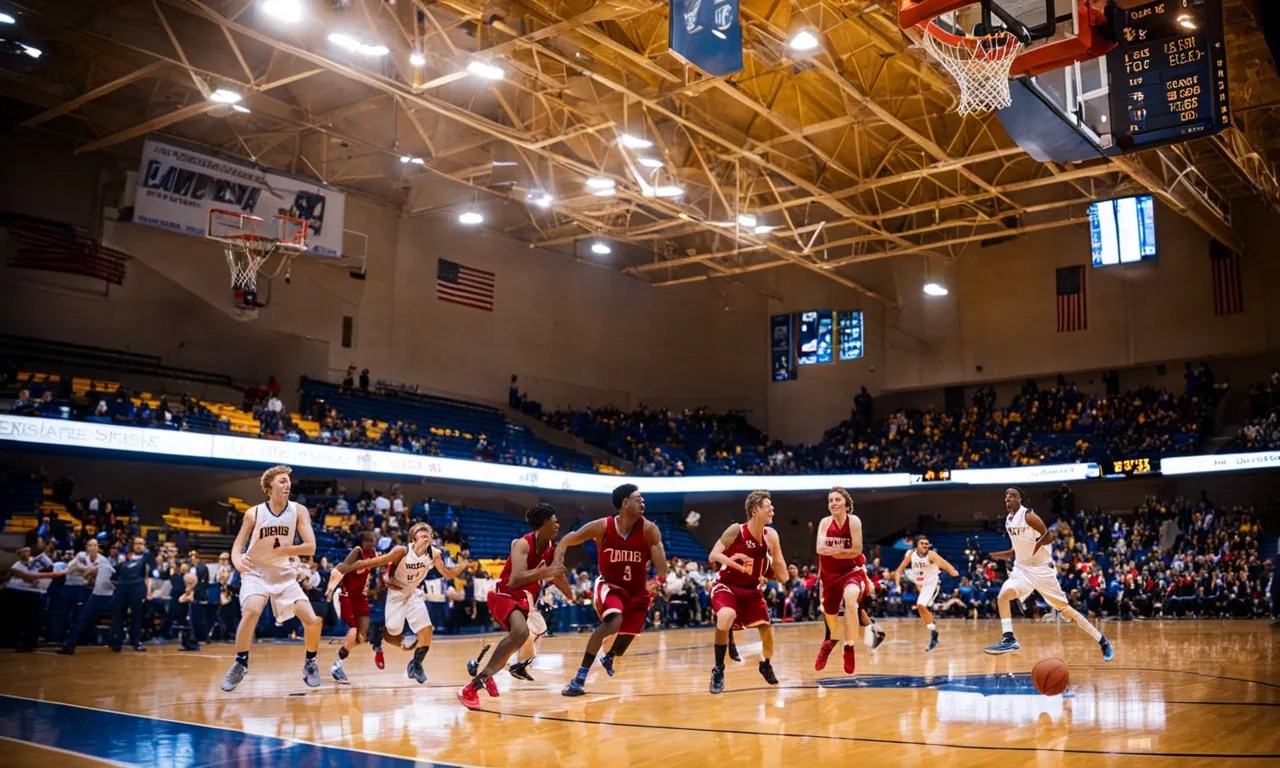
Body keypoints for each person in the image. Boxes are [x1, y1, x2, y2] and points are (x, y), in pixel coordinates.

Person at [553, 484, 668, 697]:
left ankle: (609, 656)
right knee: (614, 620)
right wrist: (558, 557)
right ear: (625, 503)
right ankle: (579, 678)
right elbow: (570, 538)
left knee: (626, 639)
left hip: (636, 591)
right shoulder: (602, 526)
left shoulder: (649, 529)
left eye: (643, 499)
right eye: (638, 499)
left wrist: (660, 576)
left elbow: (662, 568)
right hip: (610, 585)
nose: (643, 502)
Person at [221, 465, 324, 692]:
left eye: (288, 481)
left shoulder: (298, 511)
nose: (287, 484)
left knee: (313, 620)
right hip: (256, 571)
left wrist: (283, 552)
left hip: (283, 573)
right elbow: (237, 546)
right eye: (282, 481)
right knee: (253, 610)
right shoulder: (254, 513)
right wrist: (237, 561)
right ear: (269, 489)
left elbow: (311, 546)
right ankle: (240, 662)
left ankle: (311, 661)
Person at [459, 503, 570, 710]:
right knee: (521, 632)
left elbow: (557, 575)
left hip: (523, 600)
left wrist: (570, 594)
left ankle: (489, 674)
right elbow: (515, 580)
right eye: (554, 522)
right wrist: (546, 573)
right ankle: (471, 688)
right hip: (504, 595)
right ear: (543, 524)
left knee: (519, 637)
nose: (557, 526)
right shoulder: (523, 544)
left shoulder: (550, 549)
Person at [984, 487, 1114, 661]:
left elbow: (1047, 535)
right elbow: (1015, 551)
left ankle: (1102, 641)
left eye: (1012, 496)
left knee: (1066, 611)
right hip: (1022, 569)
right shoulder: (1008, 520)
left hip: (1041, 570)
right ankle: (1009, 638)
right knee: (1003, 596)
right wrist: (991, 555)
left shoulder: (1028, 515)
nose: (1007, 498)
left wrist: (1039, 550)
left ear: (1020, 500)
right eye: (1006, 496)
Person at [356, 522, 469, 684]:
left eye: (428, 535)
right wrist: (357, 566)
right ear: (413, 538)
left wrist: (462, 566)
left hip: (413, 592)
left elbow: (448, 574)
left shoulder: (434, 553)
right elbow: (381, 564)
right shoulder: (402, 551)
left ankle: (416, 665)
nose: (426, 537)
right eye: (422, 535)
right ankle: (378, 632)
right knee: (394, 631)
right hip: (396, 593)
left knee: (427, 630)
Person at [708, 490, 789, 694]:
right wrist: (734, 564)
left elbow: (779, 562)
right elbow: (713, 555)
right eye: (768, 505)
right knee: (726, 616)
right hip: (726, 585)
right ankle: (718, 669)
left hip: (752, 591)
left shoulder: (771, 536)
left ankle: (765, 664)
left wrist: (784, 576)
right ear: (755, 510)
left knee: (767, 633)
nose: (772, 509)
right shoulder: (736, 530)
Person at [813, 487, 883, 674]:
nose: (833, 503)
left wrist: (833, 551)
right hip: (828, 576)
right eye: (830, 500)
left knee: (851, 600)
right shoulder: (824, 522)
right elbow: (819, 548)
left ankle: (849, 647)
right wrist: (843, 551)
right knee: (831, 619)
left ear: (846, 502)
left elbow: (857, 550)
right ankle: (829, 645)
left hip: (851, 572)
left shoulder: (854, 521)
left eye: (837, 499)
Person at [324, 531, 379, 684]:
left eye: (372, 540)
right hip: (346, 596)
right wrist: (330, 587)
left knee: (362, 637)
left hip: (360, 597)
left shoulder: (373, 553)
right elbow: (342, 567)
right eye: (367, 540)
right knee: (354, 629)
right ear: (360, 542)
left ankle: (339, 661)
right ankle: (337, 666)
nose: (370, 543)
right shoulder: (357, 551)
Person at [893, 535, 960, 652]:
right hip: (919, 579)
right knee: (921, 605)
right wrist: (898, 585)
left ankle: (933, 632)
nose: (925, 545)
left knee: (921, 605)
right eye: (922, 543)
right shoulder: (910, 554)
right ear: (916, 546)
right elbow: (899, 570)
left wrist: (952, 571)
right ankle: (932, 625)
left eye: (926, 543)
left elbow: (944, 563)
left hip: (931, 583)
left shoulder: (932, 555)